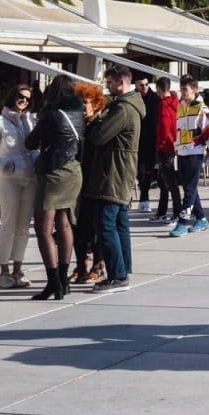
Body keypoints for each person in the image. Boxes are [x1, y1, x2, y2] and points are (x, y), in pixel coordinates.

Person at [25, 74, 83, 301]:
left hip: (53, 172)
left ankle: (53, 282)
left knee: (43, 228)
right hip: (73, 170)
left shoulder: (50, 114)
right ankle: (64, 279)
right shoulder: (78, 113)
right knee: (65, 222)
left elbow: (30, 142)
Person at [85, 66, 142, 293]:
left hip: (114, 173)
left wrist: (93, 121)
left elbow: (98, 137)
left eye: (109, 82)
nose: (107, 87)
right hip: (121, 171)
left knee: (106, 223)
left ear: (121, 82)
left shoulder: (123, 109)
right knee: (119, 222)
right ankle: (123, 269)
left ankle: (118, 276)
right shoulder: (130, 105)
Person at [0, 85, 38, 289]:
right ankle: (4, 271)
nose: (24, 101)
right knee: (8, 224)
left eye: (28, 99)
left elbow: (35, 147)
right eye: (20, 96)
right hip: (10, 179)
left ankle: (18, 270)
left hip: (30, 179)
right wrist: (5, 163)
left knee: (24, 227)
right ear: (12, 96)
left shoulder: (31, 120)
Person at [170, 75, 209, 237]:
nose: (182, 92)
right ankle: (202, 219)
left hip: (195, 153)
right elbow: (178, 130)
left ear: (195, 90)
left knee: (189, 190)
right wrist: (176, 147)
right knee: (189, 188)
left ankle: (183, 223)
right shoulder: (180, 107)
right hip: (182, 153)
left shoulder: (202, 109)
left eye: (185, 89)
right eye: (181, 89)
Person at [71, 82, 108, 287]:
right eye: (79, 103)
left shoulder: (100, 127)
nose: (82, 107)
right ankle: (81, 265)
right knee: (79, 228)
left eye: (85, 102)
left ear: (96, 104)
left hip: (96, 183)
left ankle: (98, 265)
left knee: (97, 227)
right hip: (78, 184)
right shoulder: (76, 127)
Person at [150, 77, 181, 224]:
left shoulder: (163, 105)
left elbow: (164, 127)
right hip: (174, 145)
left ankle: (177, 213)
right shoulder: (176, 102)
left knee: (169, 183)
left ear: (159, 88)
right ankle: (162, 212)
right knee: (164, 182)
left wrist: (159, 144)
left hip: (165, 147)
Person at [135, 76, 160, 214]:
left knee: (148, 171)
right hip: (137, 140)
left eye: (146, 84)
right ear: (136, 85)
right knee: (140, 171)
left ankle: (144, 198)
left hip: (152, 141)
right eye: (141, 85)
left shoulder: (155, 99)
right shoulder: (134, 98)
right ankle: (143, 198)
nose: (144, 87)